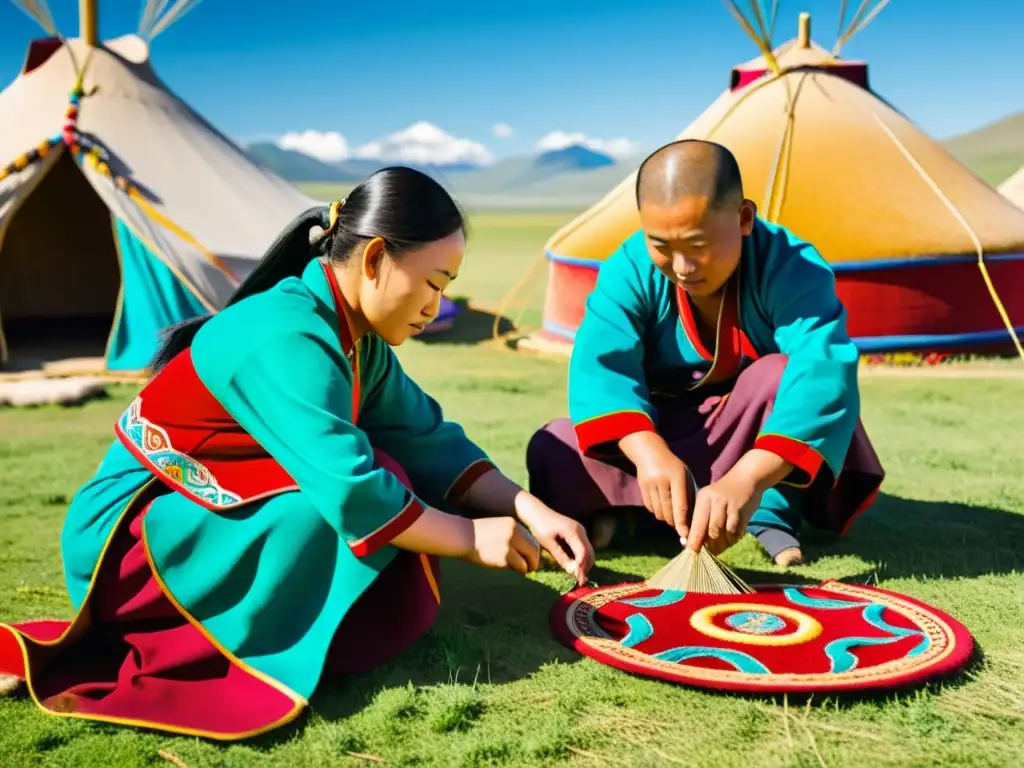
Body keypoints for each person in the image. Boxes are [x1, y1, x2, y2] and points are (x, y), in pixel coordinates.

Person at [0, 167, 594, 740]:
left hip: (211, 511)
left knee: (397, 475)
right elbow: (351, 487)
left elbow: (428, 436)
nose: (436, 306)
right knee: (354, 497)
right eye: (434, 282)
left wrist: (527, 508)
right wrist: (468, 538)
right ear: (375, 258)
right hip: (133, 541)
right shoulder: (287, 332)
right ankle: (192, 635)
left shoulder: (354, 337)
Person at [527, 139, 884, 567]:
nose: (681, 267)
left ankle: (766, 509)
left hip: (746, 434)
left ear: (744, 218)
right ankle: (644, 518)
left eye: (697, 245)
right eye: (661, 245)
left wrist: (748, 479)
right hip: (662, 432)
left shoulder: (792, 267)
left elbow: (821, 372)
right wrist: (648, 452)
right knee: (555, 447)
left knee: (779, 376)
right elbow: (599, 367)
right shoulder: (628, 267)